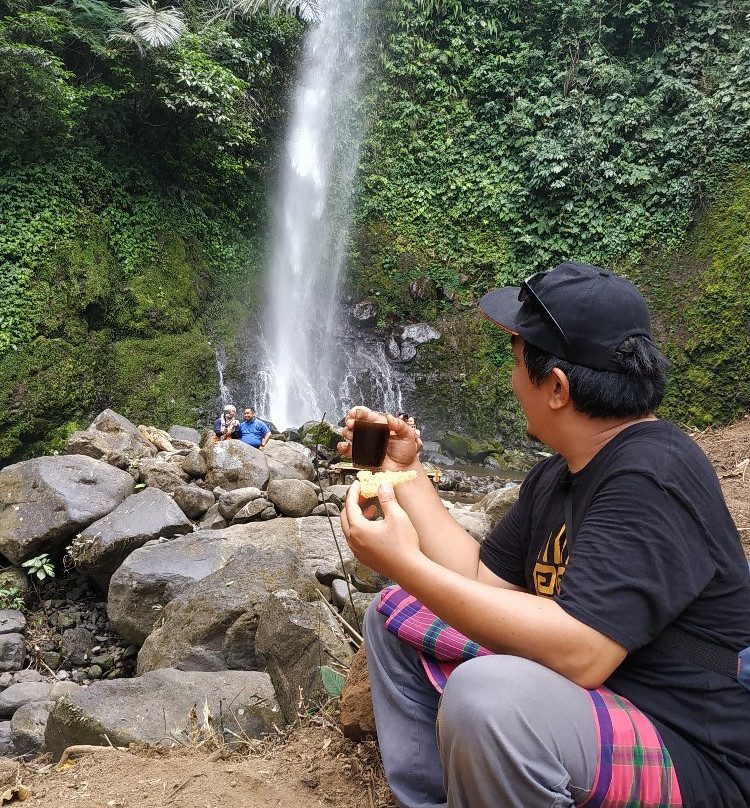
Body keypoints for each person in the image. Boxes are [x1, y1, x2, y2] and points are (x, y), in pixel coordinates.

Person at [339, 262, 750, 808]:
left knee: (488, 700)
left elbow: (582, 653)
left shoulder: (653, 474)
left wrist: (405, 562)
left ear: (556, 387)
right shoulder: (560, 473)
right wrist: (404, 472)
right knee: (395, 614)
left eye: (516, 363)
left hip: (690, 746)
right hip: (599, 698)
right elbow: (480, 577)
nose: (512, 381)